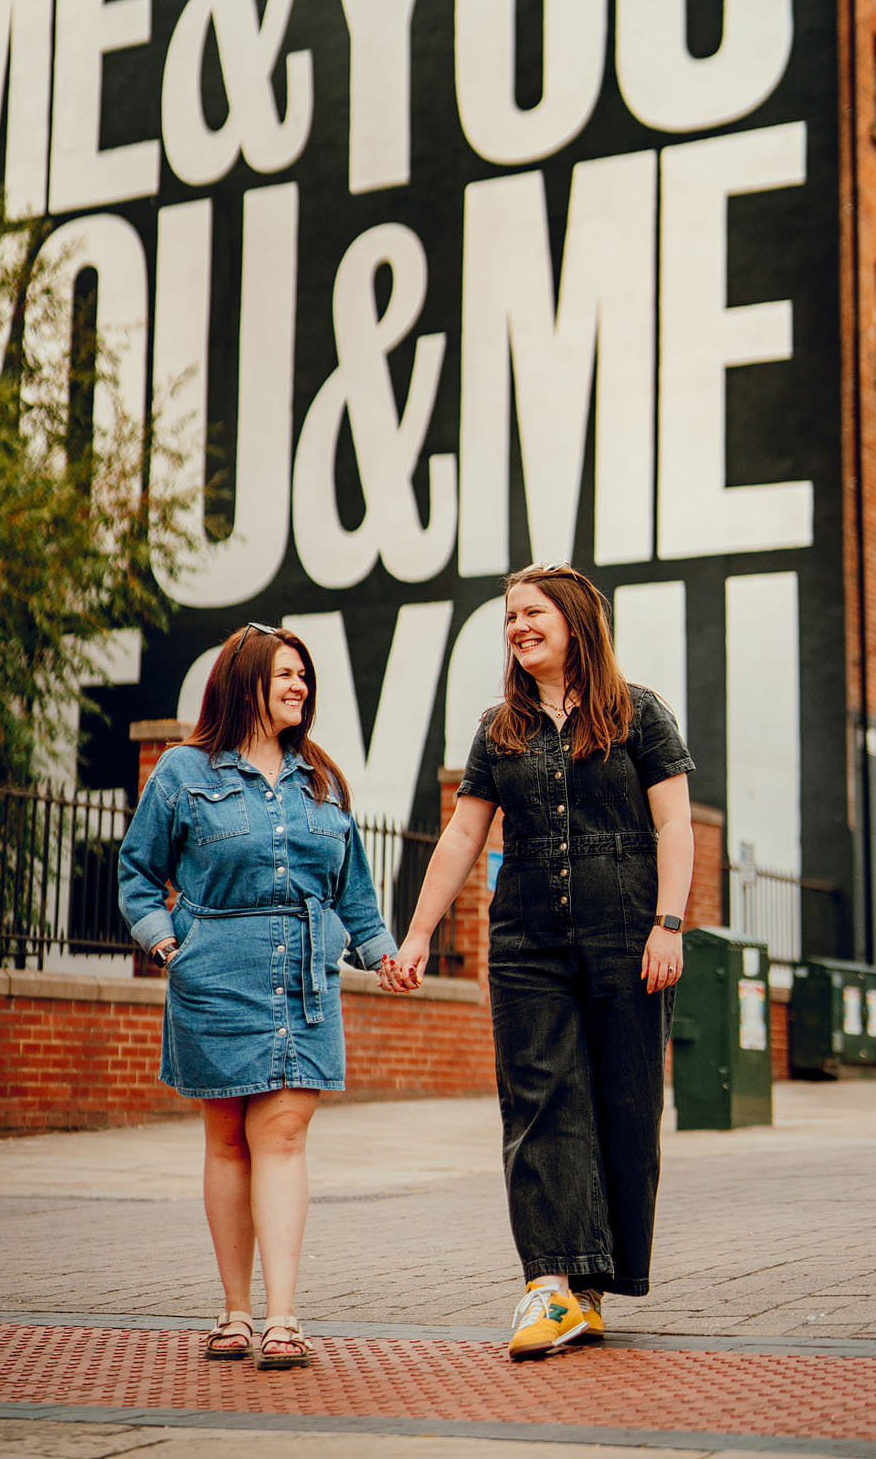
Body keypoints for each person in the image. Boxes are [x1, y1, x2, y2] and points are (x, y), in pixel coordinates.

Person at [392, 563, 694, 1361]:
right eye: (509, 616)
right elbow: (461, 837)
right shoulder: (500, 729)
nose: (518, 626)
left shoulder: (640, 715)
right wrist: (418, 934)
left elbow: (674, 828)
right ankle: (549, 1284)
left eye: (532, 612)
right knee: (537, 1103)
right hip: (526, 941)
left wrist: (669, 924)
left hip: (627, 936)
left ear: (573, 622)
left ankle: (592, 1289)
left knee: (623, 1107)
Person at [119, 621, 411, 1372]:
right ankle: (234, 1311)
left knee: (280, 1137)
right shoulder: (183, 774)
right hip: (214, 976)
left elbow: (356, 896)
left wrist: (385, 957)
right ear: (242, 680)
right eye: (284, 674)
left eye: (304, 678)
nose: (298, 688)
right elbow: (136, 872)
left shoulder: (323, 780)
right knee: (226, 1140)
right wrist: (168, 946)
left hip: (304, 981)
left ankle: (282, 1317)